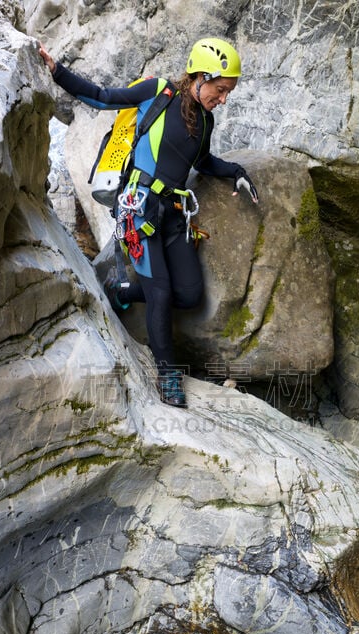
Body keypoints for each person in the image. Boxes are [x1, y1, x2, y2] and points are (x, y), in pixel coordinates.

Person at [39, 37, 258, 408]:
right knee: (159, 293)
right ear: (201, 77)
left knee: (188, 295)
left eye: (227, 93)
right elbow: (102, 97)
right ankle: (168, 375)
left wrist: (235, 171)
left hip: (172, 214)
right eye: (220, 90)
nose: (223, 99)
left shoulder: (206, 120)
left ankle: (121, 290)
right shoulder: (159, 93)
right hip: (139, 212)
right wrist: (57, 71)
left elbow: (202, 162)